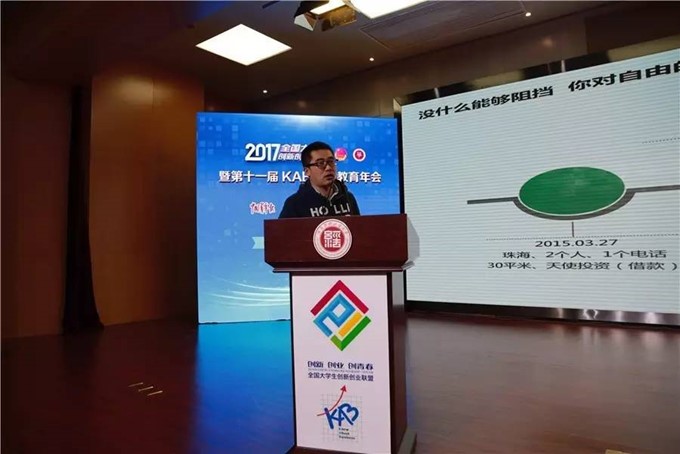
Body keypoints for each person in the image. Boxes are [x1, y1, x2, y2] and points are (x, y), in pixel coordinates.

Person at [278, 141, 360, 218]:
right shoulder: (294, 204)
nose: (328, 168)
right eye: (320, 163)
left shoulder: (348, 198)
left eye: (331, 161)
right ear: (307, 171)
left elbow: (359, 227)